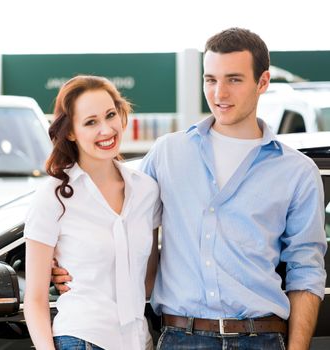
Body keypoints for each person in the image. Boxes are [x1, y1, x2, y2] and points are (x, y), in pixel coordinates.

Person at [53, 28, 327, 350]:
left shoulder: (297, 172)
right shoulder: (168, 152)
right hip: (179, 337)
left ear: (262, 82)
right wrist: (60, 263)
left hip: (262, 337)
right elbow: (113, 214)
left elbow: (306, 270)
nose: (219, 93)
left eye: (234, 80)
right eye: (210, 79)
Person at [23, 75, 162, 350]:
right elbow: (35, 299)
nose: (106, 129)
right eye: (90, 122)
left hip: (138, 341)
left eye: (111, 115)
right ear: (71, 132)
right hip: (83, 339)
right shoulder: (54, 197)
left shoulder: (147, 190)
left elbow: (147, 279)